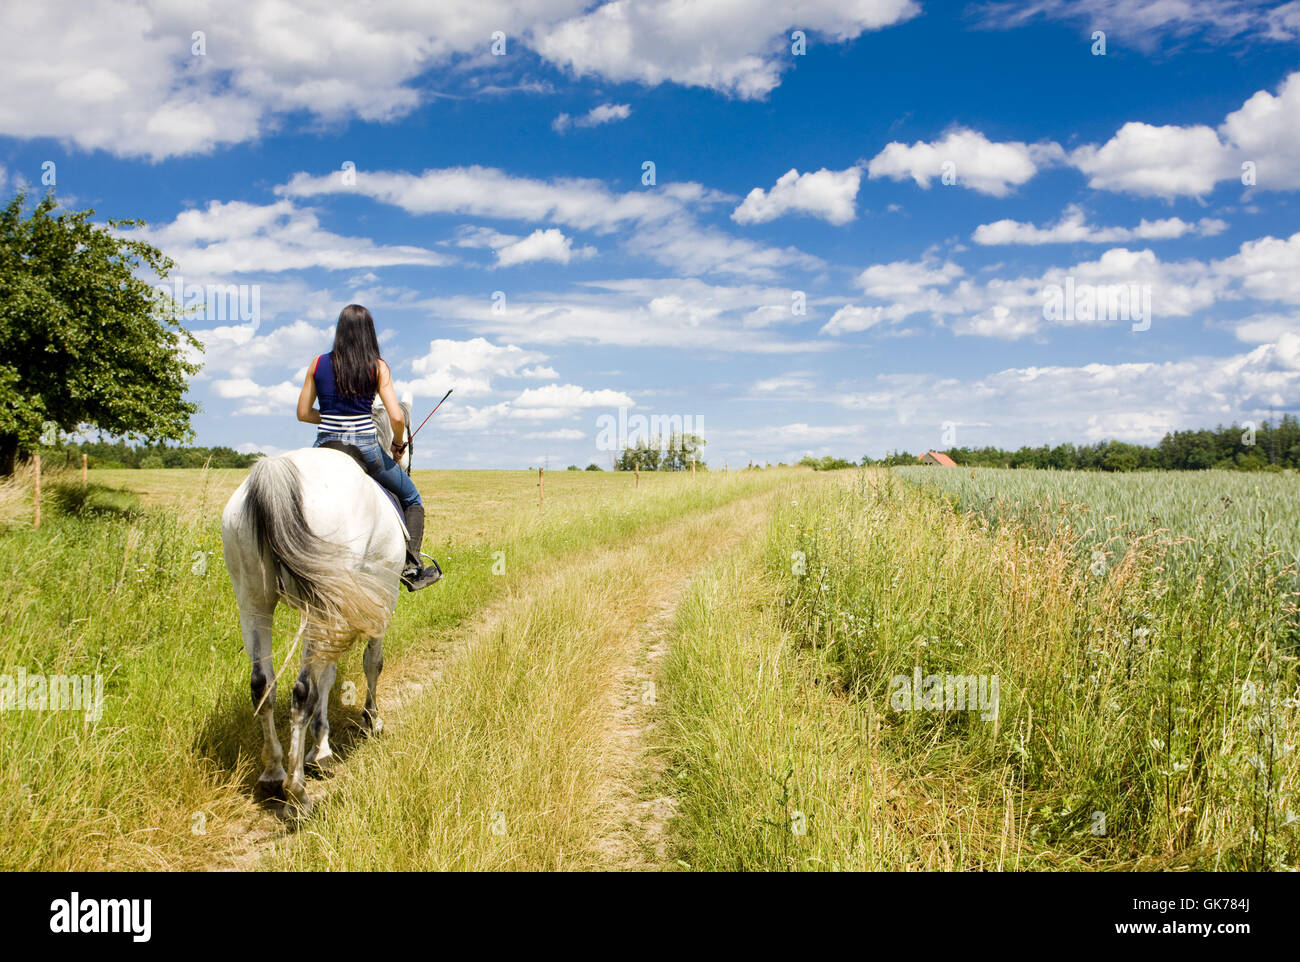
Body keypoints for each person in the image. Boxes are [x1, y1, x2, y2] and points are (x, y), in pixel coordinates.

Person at [296, 304, 440, 590]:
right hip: (365, 449)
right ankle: (411, 567)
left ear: (339, 330)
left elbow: (302, 413)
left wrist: (331, 417)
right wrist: (398, 444)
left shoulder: (316, 364)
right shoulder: (378, 366)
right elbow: (397, 417)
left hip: (324, 447)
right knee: (412, 498)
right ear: (369, 333)